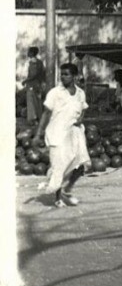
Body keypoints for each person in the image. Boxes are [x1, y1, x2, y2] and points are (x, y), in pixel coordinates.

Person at [35, 62, 90, 208]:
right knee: (59, 166)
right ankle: (58, 198)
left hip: (74, 133)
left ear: (75, 76)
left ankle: (67, 188)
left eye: (67, 74)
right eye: (62, 74)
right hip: (57, 133)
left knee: (80, 165)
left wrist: (80, 119)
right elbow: (46, 113)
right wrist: (38, 133)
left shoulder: (80, 93)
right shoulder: (55, 93)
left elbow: (83, 108)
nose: (63, 77)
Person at [23, 46, 46, 123]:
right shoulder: (40, 62)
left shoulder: (31, 63)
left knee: (31, 102)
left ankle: (33, 120)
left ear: (32, 53)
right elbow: (42, 73)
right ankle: (38, 118)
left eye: (29, 52)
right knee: (38, 101)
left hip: (32, 85)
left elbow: (34, 74)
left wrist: (26, 80)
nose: (28, 53)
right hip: (37, 85)